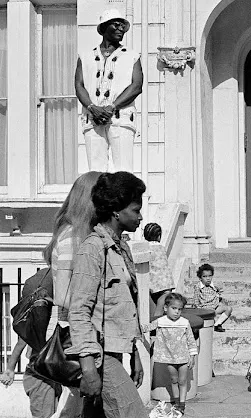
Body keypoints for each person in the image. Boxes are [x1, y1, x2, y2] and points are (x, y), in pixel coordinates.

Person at [67, 171, 146, 417]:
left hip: (115, 351)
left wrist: (134, 353)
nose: (141, 217)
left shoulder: (120, 248)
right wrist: (89, 369)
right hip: (99, 357)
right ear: (116, 211)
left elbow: (124, 310)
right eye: (135, 210)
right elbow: (79, 311)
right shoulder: (92, 248)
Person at [41, 170, 102, 417]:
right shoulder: (70, 238)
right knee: (77, 406)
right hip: (72, 335)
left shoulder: (84, 235)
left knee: (81, 406)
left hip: (80, 333)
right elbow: (64, 296)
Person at [75, 9, 143, 172]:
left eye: (123, 27)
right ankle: (98, 198)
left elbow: (136, 86)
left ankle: (123, 199)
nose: (121, 29)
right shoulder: (85, 56)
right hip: (93, 119)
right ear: (104, 27)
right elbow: (79, 85)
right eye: (116, 25)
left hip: (121, 118)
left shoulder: (132, 56)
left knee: (123, 171)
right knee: (95, 171)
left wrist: (112, 107)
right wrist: (91, 107)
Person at [0, 268, 62, 418]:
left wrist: (10, 368)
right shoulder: (42, 316)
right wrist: (9, 368)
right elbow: (22, 342)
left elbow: (21, 343)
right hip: (40, 375)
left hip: (50, 375)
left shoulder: (43, 317)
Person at [142, 292, 197, 416]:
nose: (177, 312)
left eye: (179, 309)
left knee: (182, 380)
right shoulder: (161, 321)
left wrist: (193, 356)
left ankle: (181, 404)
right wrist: (136, 327)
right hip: (169, 357)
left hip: (183, 357)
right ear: (166, 308)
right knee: (174, 379)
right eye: (174, 308)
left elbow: (191, 340)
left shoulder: (184, 322)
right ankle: (176, 401)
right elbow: (147, 328)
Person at [144, 222, 176, 318]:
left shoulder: (145, 247)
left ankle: (153, 318)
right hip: (163, 280)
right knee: (164, 297)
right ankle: (157, 317)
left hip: (150, 279)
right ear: (158, 236)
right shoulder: (160, 247)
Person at [192, 263, 233, 332]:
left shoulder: (214, 285)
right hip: (204, 310)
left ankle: (217, 324)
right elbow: (196, 299)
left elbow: (219, 292)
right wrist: (197, 308)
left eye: (210, 276)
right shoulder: (198, 286)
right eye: (204, 276)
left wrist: (218, 295)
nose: (208, 278)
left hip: (214, 308)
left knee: (228, 308)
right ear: (200, 278)